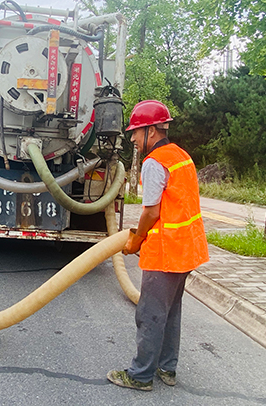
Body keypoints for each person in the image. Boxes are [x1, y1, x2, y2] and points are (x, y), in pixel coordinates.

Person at [107, 100, 209, 391]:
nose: (133, 140)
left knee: (150, 314)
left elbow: (151, 212)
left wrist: (135, 240)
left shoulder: (155, 162)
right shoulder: (181, 156)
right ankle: (167, 369)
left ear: (151, 131)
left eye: (136, 133)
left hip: (165, 252)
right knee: (171, 312)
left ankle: (139, 376)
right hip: (187, 250)